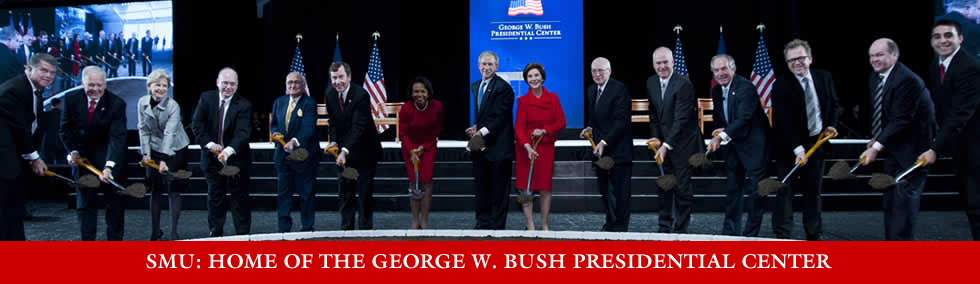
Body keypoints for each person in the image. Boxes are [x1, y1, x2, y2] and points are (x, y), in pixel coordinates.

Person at [861, 38, 937, 241]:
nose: (874, 59)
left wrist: (876, 147)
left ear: (894, 55)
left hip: (914, 153)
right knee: (891, 205)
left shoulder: (907, 80)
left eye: (880, 54)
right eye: (872, 55)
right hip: (893, 150)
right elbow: (884, 113)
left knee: (903, 208)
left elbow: (901, 119)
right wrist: (876, 139)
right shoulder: (875, 77)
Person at [768, 39, 840, 241]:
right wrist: (797, 149)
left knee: (813, 192)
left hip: (817, 143)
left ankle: (814, 232)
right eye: (791, 60)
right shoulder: (780, 85)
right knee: (785, 192)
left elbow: (834, 105)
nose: (796, 63)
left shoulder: (824, 77)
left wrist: (832, 125)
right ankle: (782, 234)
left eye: (800, 58)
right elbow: (783, 121)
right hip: (788, 147)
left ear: (810, 58)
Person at [920, 20, 980, 240]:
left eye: (948, 35)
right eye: (937, 36)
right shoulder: (936, 67)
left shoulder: (970, 67)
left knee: (976, 207)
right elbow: (939, 110)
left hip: (975, 148)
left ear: (960, 39)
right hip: (959, 148)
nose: (943, 40)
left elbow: (959, 115)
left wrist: (935, 147)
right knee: (970, 205)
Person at [60, 66, 127, 241]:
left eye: (99, 85)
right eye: (91, 85)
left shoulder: (117, 104)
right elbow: (65, 130)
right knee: (86, 206)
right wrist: (73, 151)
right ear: (82, 82)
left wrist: (109, 166)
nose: (95, 89)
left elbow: (117, 137)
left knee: (114, 206)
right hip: (83, 161)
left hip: (109, 160)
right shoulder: (70, 99)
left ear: (105, 84)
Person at [707, 54, 770, 236]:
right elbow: (720, 117)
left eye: (724, 68)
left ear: (733, 69)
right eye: (717, 70)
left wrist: (721, 137)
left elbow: (744, 117)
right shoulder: (716, 91)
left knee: (756, 194)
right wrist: (719, 129)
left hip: (755, 147)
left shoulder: (745, 87)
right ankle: (730, 233)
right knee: (732, 192)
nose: (721, 73)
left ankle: (751, 236)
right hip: (734, 146)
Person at [645, 47, 702, 234]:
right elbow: (654, 115)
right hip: (663, 145)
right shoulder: (651, 82)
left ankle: (681, 230)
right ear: (653, 65)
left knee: (682, 190)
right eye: (658, 63)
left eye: (665, 62)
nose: (662, 66)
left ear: (673, 62)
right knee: (664, 186)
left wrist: (666, 145)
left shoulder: (683, 85)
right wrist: (655, 137)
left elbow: (681, 120)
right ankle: (664, 228)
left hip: (682, 145)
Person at [0, 53, 56, 241]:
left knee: (14, 214)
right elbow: (19, 128)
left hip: (14, 162)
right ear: (28, 69)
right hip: (3, 164)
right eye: (43, 70)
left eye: (52, 73)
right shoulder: (14, 90)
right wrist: (34, 158)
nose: (48, 76)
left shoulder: (34, 91)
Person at [191, 67, 252, 237]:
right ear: (218, 82)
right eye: (225, 83)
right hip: (211, 159)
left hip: (236, 160)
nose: (228, 87)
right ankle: (215, 233)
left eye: (232, 84)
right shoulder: (206, 98)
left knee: (239, 200)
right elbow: (197, 126)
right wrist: (210, 145)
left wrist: (227, 151)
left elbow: (243, 133)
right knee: (215, 198)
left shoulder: (244, 105)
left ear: (237, 85)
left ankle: (243, 236)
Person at [322, 61, 382, 230]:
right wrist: (333, 141)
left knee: (364, 194)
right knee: (346, 193)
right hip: (343, 152)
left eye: (341, 77)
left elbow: (358, 127)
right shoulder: (330, 94)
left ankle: (365, 233)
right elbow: (332, 122)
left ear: (348, 77)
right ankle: (346, 231)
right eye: (334, 78)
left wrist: (344, 151)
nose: (337, 81)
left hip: (365, 151)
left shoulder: (361, 95)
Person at [581, 57, 632, 232]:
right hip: (600, 152)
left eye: (601, 70)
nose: (597, 74)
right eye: (594, 71)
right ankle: (610, 224)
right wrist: (588, 128)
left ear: (609, 71)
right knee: (605, 190)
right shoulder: (591, 91)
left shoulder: (620, 89)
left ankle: (621, 227)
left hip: (618, 150)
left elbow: (621, 122)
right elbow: (594, 119)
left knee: (620, 192)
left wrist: (604, 141)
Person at [137, 69, 189, 241]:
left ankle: (174, 232)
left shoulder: (173, 106)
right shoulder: (142, 103)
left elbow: (169, 133)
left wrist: (164, 160)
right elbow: (143, 130)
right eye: (157, 85)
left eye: (164, 86)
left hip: (176, 148)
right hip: (155, 147)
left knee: (173, 190)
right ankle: (155, 231)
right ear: (149, 86)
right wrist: (146, 154)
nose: (161, 88)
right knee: (156, 190)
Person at [515, 63, 565, 231]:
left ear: (542, 77)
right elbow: (519, 128)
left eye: (536, 75)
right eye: (530, 76)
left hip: (545, 149)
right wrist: (528, 147)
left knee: (545, 187)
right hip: (526, 149)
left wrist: (545, 130)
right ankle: (530, 225)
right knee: (526, 187)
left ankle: (544, 225)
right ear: (526, 80)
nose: (533, 79)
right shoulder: (522, 101)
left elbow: (561, 122)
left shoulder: (553, 98)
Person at [468, 51, 515, 230]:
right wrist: (476, 127)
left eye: (490, 64)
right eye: (483, 64)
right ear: (478, 66)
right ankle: (482, 223)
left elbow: (500, 116)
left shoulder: (503, 88)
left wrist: (481, 132)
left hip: (499, 148)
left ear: (497, 66)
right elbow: (486, 115)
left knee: (499, 191)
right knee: (481, 188)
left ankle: (496, 227)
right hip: (482, 148)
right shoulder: (476, 86)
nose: (486, 68)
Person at [270, 72, 319, 232]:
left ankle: (307, 228)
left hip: (304, 157)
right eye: (289, 82)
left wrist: (294, 142)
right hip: (283, 157)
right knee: (283, 195)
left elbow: (308, 128)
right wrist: (275, 133)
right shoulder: (279, 102)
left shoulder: (310, 104)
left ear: (303, 85)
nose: (293, 85)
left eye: (296, 82)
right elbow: (274, 124)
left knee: (306, 194)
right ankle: (283, 229)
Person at [398, 76, 443, 229]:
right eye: (416, 91)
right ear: (411, 94)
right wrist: (412, 151)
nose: (419, 95)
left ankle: (424, 221)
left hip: (428, 147)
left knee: (426, 182)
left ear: (428, 93)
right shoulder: (406, 108)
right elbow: (403, 134)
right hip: (410, 148)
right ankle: (414, 221)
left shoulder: (437, 106)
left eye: (422, 91)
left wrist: (423, 148)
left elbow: (437, 131)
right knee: (414, 182)